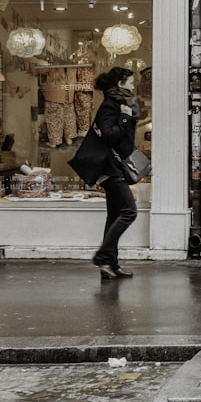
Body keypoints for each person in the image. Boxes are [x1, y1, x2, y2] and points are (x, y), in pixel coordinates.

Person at [68, 67, 140, 280]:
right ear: (120, 84)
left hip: (113, 165)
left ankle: (110, 264)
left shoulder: (122, 105)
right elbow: (109, 136)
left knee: (116, 215)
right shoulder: (110, 106)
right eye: (130, 82)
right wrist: (125, 119)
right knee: (129, 211)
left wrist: (140, 165)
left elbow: (125, 142)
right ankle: (102, 257)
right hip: (106, 166)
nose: (133, 86)